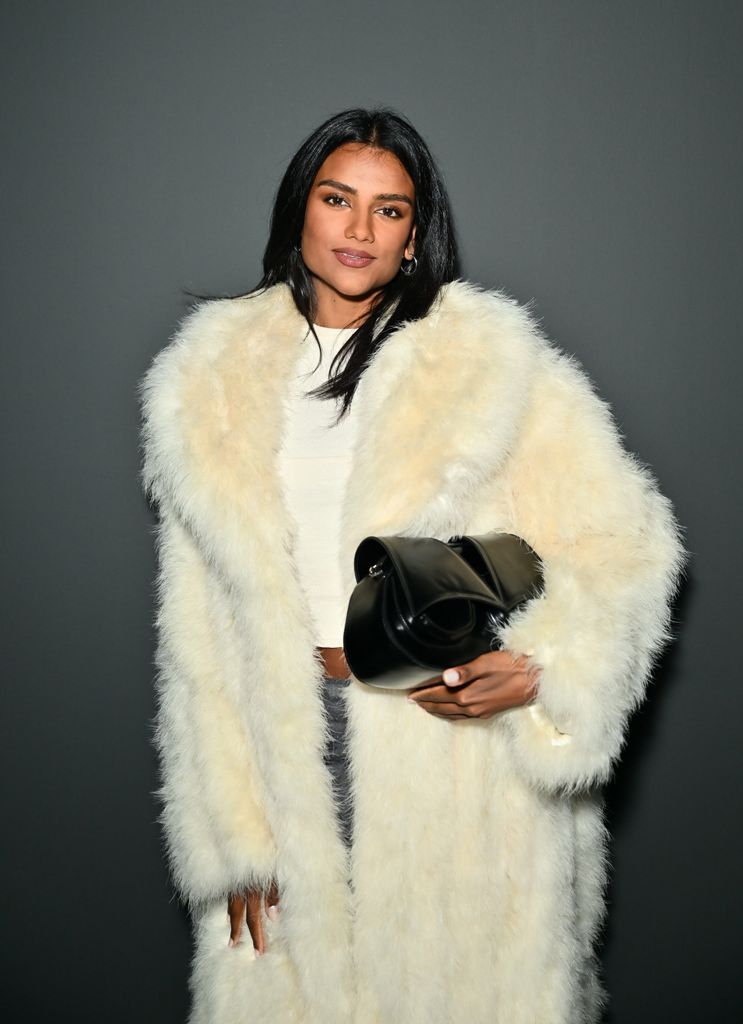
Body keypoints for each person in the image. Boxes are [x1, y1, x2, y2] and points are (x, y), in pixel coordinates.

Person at [139, 108, 684, 1024]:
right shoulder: (208, 384)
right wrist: (229, 833)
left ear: (414, 233)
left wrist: (545, 670)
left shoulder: (489, 365)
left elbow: (626, 546)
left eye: (388, 210)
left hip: (455, 759)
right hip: (285, 758)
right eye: (336, 199)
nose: (359, 228)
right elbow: (194, 637)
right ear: (298, 211)